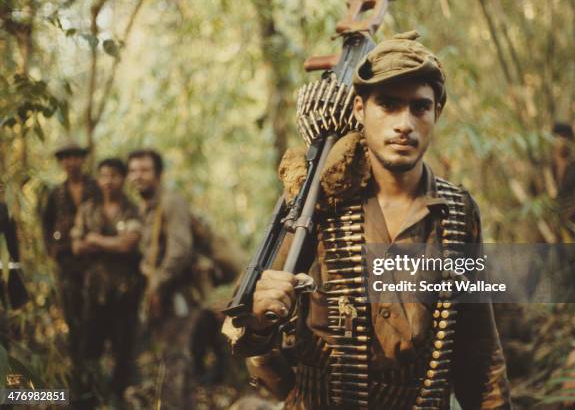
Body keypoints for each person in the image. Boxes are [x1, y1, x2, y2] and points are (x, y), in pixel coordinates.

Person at [224, 31, 511, 409]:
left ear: (436, 113)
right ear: (360, 110)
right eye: (388, 105)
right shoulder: (316, 203)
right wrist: (260, 319)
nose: (404, 123)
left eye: (419, 107)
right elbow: (244, 327)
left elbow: (479, 351)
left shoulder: (458, 213)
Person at [127, 149, 199, 410]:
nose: (138, 176)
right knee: (174, 361)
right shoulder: (143, 207)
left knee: (174, 360)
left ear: (158, 173)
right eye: (133, 171)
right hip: (161, 295)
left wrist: (158, 282)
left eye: (144, 170)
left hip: (178, 294)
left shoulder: (171, 202)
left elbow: (180, 251)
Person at [70, 158, 144, 406]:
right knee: (89, 349)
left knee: (123, 351)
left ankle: (117, 399)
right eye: (104, 176)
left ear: (123, 179)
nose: (108, 181)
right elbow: (77, 246)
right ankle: (88, 398)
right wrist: (108, 242)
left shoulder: (132, 209)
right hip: (94, 290)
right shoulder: (88, 209)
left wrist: (95, 240)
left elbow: (128, 243)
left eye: (114, 175)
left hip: (125, 291)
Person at [40, 138, 100, 400]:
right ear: (61, 162)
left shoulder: (96, 187)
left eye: (75, 156)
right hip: (67, 262)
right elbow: (45, 224)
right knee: (72, 317)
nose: (71, 162)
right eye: (65, 157)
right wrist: (52, 251)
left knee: (95, 317)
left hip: (95, 261)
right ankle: (78, 378)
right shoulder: (55, 193)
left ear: (82, 159)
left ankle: (96, 375)